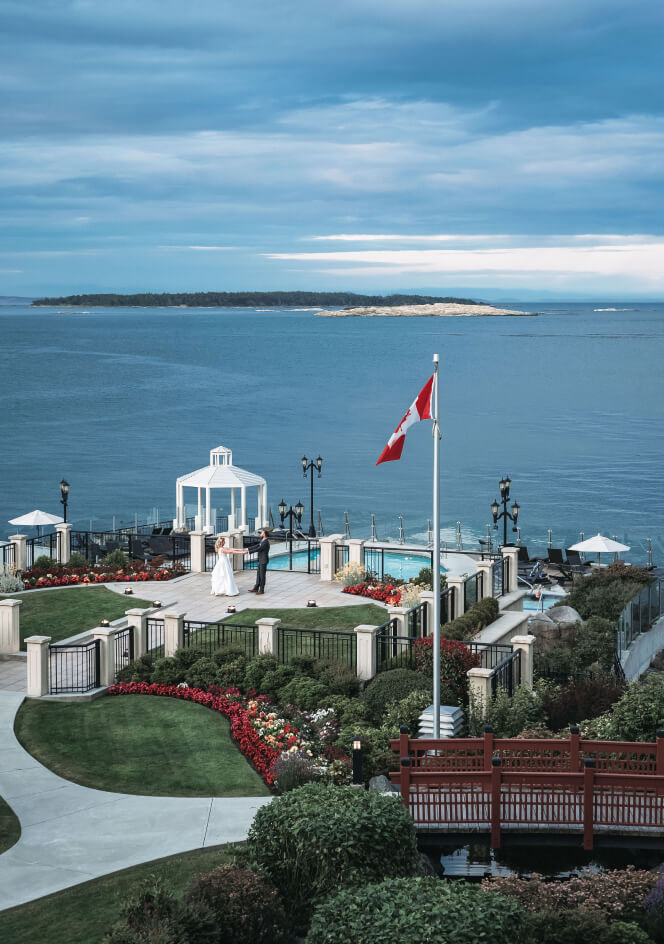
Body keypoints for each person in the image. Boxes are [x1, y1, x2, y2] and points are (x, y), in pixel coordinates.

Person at [247, 528, 270, 595]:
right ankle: (256, 588)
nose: (260, 534)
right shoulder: (262, 540)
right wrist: (247, 549)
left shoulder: (265, 542)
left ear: (264, 534)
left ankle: (261, 589)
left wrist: (248, 552)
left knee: (262, 575)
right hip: (261, 560)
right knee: (258, 574)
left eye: (262, 532)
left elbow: (259, 549)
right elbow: (256, 546)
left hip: (263, 560)